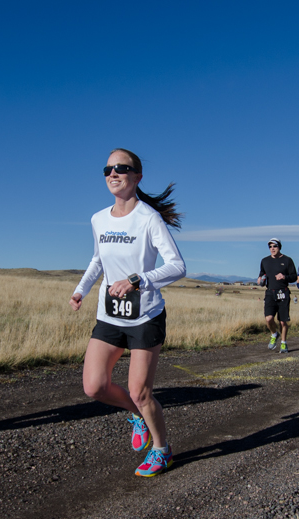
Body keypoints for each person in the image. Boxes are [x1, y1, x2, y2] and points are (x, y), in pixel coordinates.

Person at [70, 148, 186, 477]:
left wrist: (138, 280)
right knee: (94, 386)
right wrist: (80, 290)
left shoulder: (149, 218)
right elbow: (97, 260)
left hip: (145, 316)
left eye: (121, 168)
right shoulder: (98, 219)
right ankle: (137, 415)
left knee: (140, 391)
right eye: (108, 169)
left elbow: (177, 266)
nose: (113, 173)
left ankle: (162, 450)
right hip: (109, 315)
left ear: (137, 176)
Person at [257, 238, 298, 353]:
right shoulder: (265, 261)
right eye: (270, 247)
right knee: (268, 319)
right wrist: (260, 280)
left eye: (274, 246)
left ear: (279, 247)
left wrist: (284, 277)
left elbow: (294, 277)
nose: (272, 249)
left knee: (283, 321)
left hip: (283, 292)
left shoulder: (287, 260)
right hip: (270, 292)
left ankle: (283, 343)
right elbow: (262, 275)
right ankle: (274, 334)